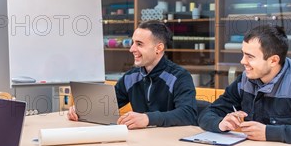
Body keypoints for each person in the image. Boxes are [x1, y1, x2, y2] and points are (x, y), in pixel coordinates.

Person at [198, 25, 291, 145]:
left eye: (250, 57)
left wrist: (269, 133)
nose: (242, 61)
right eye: (243, 54)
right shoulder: (245, 80)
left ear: (273, 60)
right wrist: (220, 123)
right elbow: (207, 114)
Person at [68, 20, 198, 129]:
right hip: (141, 142)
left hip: (172, 145)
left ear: (158, 48)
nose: (132, 49)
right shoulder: (130, 77)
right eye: (133, 43)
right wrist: (81, 109)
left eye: (139, 44)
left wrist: (148, 118)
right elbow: (107, 103)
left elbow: (188, 114)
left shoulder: (180, 77)